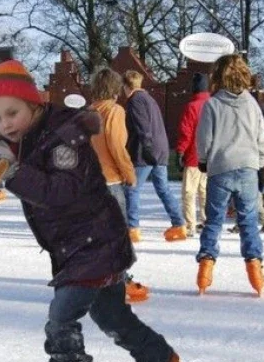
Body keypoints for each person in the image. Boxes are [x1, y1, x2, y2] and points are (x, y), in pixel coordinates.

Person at [0, 60, 197, 362]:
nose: (6, 123)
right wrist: (2, 168)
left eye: (12, 112)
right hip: (82, 245)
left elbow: (61, 192)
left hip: (92, 244)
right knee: (111, 314)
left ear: (35, 102)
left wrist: (13, 173)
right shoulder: (31, 138)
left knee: (62, 316)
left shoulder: (63, 139)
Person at [195, 55, 264, 296]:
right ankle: (255, 269)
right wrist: (257, 161)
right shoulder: (252, 105)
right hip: (247, 167)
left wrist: (205, 161)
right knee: (248, 220)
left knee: (214, 220)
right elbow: (263, 139)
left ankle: (205, 267)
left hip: (221, 168)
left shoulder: (212, 104)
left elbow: (204, 139)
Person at [88, 68, 149, 304]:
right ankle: (118, 283)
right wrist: (129, 173)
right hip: (109, 180)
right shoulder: (114, 111)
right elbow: (115, 144)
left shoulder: (87, 112)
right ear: (115, 89)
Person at [122, 71, 186, 242]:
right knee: (163, 188)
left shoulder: (135, 101)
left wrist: (147, 150)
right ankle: (179, 224)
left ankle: (132, 229)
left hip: (146, 152)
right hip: (161, 149)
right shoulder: (150, 99)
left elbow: (143, 128)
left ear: (126, 86)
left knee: (132, 188)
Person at [176, 73, 211, 237]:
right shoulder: (213, 104)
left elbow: (186, 132)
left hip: (194, 156)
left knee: (189, 192)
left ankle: (190, 225)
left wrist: (181, 151)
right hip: (212, 156)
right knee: (205, 190)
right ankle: (207, 221)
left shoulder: (192, 106)